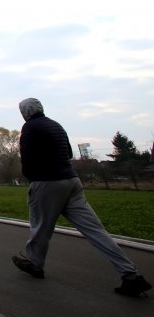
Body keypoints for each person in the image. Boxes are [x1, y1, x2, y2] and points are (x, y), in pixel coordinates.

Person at [12, 98, 151, 296]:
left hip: (47, 182)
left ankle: (35, 264)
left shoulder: (30, 128)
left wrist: (31, 177)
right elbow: (68, 152)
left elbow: (26, 157)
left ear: (25, 112)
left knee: (40, 226)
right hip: (72, 181)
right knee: (95, 230)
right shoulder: (56, 125)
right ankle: (130, 274)